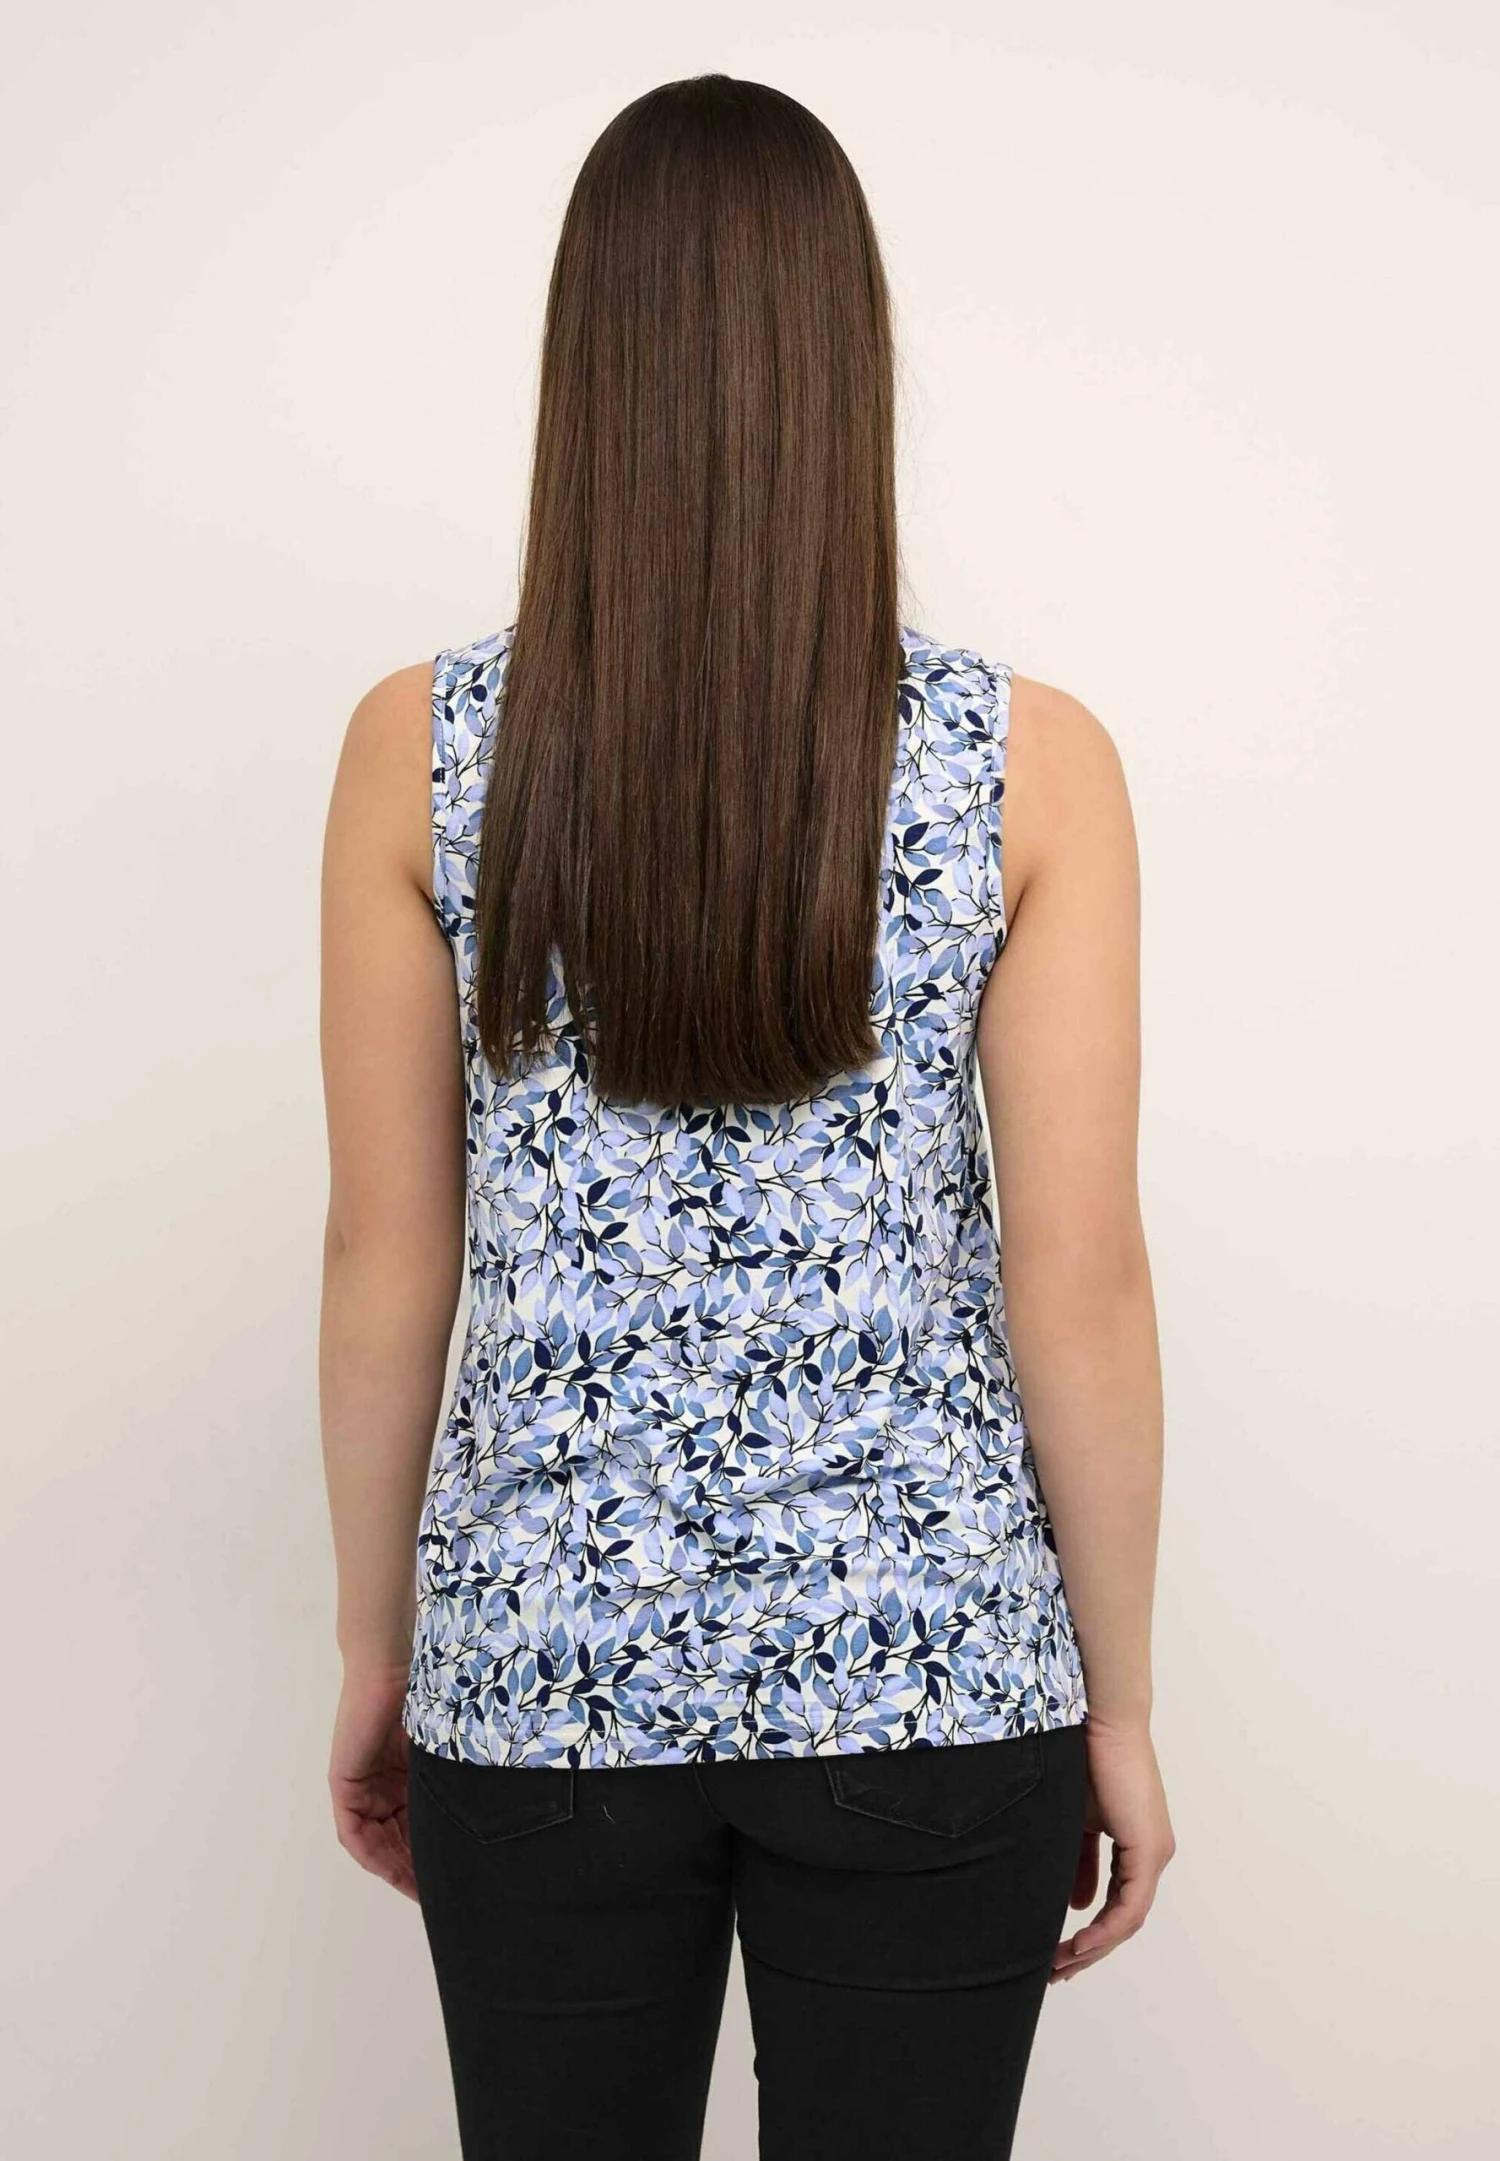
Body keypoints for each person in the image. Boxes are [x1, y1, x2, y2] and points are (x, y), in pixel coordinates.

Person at [318, 71, 1173, 2161]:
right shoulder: (1028, 764)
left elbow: (385, 1255)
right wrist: (1125, 1702)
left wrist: (377, 1652)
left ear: (584, 372)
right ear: (844, 368)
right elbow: (1078, 1281)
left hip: (541, 1672)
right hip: (931, 1674)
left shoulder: (419, 750)